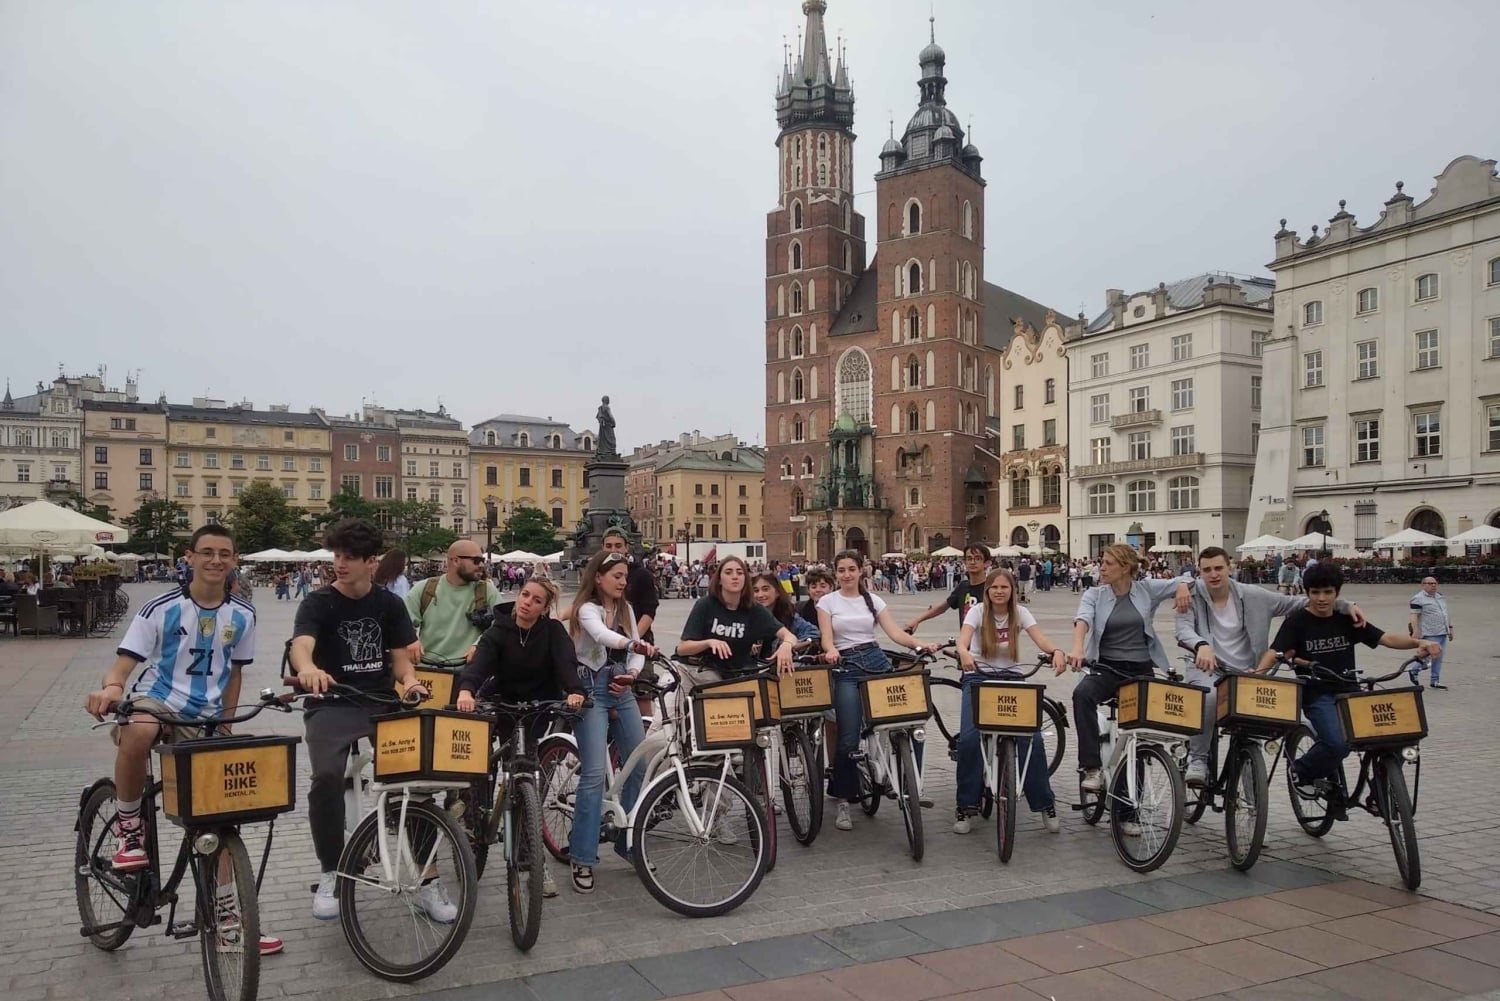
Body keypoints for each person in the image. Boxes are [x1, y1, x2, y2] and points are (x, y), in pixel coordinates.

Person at [84, 525, 283, 956]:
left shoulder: (244, 614)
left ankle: (230, 922)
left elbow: (234, 672)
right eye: (206, 552)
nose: (215, 560)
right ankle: (129, 829)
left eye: (224, 554)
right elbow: (124, 663)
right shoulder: (161, 607)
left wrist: (226, 724)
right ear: (188, 557)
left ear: (234, 560)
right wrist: (112, 690)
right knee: (138, 728)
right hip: (159, 699)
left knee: (222, 820)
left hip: (207, 714)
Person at [285, 518, 440, 922]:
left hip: (379, 701)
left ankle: (428, 879)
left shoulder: (388, 604)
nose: (340, 563)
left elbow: (401, 661)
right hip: (331, 702)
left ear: (372, 562)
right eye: (337, 555)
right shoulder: (318, 602)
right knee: (326, 779)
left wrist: (408, 684)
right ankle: (332, 871)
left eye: (350, 557)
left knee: (416, 779)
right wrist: (307, 670)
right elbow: (302, 647)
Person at [1254, 563, 1441, 816]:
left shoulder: (1347, 618)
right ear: (1307, 592)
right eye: (1316, 592)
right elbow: (1276, 652)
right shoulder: (1297, 621)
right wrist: (1256, 676)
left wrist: (1420, 642)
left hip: (1350, 692)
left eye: (1328, 592)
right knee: (1337, 743)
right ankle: (1302, 770)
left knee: (1396, 736)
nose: (1322, 599)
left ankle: (1379, 794)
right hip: (1316, 694)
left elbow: (1385, 638)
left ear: (1337, 592)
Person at [1176, 547, 1362, 787]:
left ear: (1230, 568)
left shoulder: (1253, 595)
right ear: (1198, 572)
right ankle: (1198, 759)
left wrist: (1346, 605)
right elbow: (1183, 628)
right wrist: (1200, 644)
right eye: (1207, 569)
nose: (1214, 574)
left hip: (1250, 672)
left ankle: (1251, 780)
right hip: (1207, 669)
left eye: (1219, 568)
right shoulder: (1190, 595)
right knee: (1209, 697)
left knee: (1255, 721)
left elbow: (1301, 603)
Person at [455, 577, 584, 898]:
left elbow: (566, 663)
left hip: (537, 708)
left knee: (526, 778)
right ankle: (475, 816)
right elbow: (480, 664)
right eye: (524, 595)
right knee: (482, 764)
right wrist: (467, 690)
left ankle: (530, 862)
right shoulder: (499, 630)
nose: (527, 602)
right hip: (501, 703)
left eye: (536, 600)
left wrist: (576, 691)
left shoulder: (552, 631)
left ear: (545, 608)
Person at [817, 550, 939, 833]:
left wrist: (920, 646)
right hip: (846, 665)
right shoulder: (827, 601)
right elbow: (826, 638)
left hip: (875, 660)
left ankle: (908, 783)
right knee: (848, 737)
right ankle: (844, 799)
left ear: (861, 571)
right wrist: (832, 650)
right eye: (841, 570)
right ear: (836, 574)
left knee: (907, 720)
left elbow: (894, 633)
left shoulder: (873, 600)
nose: (846, 574)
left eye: (852, 569)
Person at [1068, 544, 1192, 802]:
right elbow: (1083, 620)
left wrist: (1181, 586)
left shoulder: (1146, 590)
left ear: (1125, 568)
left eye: (1109, 563)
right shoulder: (1095, 594)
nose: (1102, 567)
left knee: (1139, 738)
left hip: (1141, 669)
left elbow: (1187, 578)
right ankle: (1092, 767)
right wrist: (1078, 649)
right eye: (1102, 561)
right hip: (1107, 667)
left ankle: (1129, 811)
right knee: (1082, 694)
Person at [567, 550, 657, 893]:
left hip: (621, 687)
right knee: (592, 775)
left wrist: (633, 673)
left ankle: (628, 842)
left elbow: (633, 652)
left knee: (638, 762)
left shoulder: (627, 609)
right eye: (616, 575)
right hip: (590, 689)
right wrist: (635, 644)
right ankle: (582, 856)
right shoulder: (586, 609)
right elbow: (604, 637)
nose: (622, 581)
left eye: (625, 576)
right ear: (599, 577)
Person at [953, 568, 1067, 835]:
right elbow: (963, 641)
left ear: (1012, 590)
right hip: (978, 677)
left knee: (1033, 740)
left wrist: (1057, 651)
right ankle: (966, 805)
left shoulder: (1021, 613)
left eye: (1005, 587)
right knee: (969, 740)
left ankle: (1044, 803)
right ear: (988, 591)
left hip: (1013, 678)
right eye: (995, 588)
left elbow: (1041, 640)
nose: (999, 592)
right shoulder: (977, 611)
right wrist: (964, 654)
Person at [676, 558, 798, 678]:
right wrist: (709, 642)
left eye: (740, 573)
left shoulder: (754, 609)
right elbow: (682, 648)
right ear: (719, 580)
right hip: (693, 670)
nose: (735, 577)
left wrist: (786, 645)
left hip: (731, 676)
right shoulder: (706, 604)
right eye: (728, 572)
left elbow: (789, 636)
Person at [405, 539, 503, 665]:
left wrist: (480, 644)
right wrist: (411, 640)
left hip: (468, 672)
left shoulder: (486, 590)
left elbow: (502, 623)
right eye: (476, 561)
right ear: (455, 561)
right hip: (428, 670)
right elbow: (401, 622)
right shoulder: (425, 588)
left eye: (482, 560)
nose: (482, 565)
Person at [905, 544, 990, 636]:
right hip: (966, 644)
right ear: (965, 562)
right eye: (969, 558)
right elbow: (942, 607)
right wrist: (917, 620)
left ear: (987, 563)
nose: (973, 562)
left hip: (989, 643)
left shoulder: (992, 588)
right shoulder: (963, 586)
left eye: (978, 558)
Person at [1408, 577, 1452, 690]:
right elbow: (1414, 615)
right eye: (1430, 583)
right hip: (1430, 632)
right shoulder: (1417, 599)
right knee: (1428, 656)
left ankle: (1435, 680)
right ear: (1423, 585)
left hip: (1442, 631)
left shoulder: (1440, 596)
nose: (1433, 586)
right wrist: (1415, 630)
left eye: (1435, 583)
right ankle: (1414, 669)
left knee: (1438, 657)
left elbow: (1445, 613)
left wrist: (1450, 628)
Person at [751, 571, 818, 645]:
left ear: (777, 592)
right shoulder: (747, 617)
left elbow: (813, 632)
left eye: (765, 589)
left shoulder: (789, 616)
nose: (760, 595)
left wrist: (795, 643)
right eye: (756, 591)